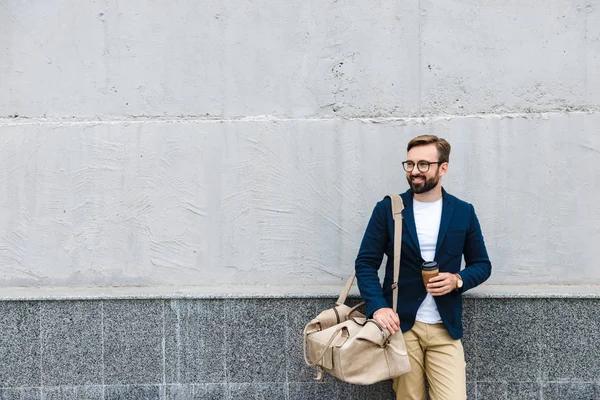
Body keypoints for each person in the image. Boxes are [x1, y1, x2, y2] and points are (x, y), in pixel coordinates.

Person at [354, 135, 492, 400]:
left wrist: (457, 280)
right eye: (410, 164)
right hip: (402, 327)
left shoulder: (463, 211)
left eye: (423, 164)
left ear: (443, 168)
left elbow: (482, 264)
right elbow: (365, 263)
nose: (415, 171)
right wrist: (378, 306)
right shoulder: (388, 209)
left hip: (445, 327)